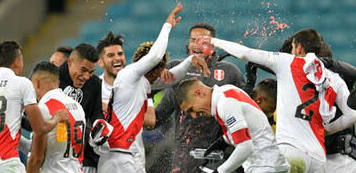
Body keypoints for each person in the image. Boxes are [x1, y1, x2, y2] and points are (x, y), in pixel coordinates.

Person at [201, 29, 356, 172]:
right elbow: (351, 115)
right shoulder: (334, 78)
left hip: (294, 151)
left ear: (299, 48)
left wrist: (214, 41)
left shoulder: (288, 62)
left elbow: (245, 53)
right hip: (319, 158)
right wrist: (327, 129)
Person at [98, 4, 193, 172]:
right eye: (110, 55)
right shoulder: (123, 77)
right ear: (100, 62)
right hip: (118, 156)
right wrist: (167, 26)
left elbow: (171, 79)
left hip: (125, 155)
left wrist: (191, 60)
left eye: (120, 54)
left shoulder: (136, 81)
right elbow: (156, 56)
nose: (117, 59)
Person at [0, 41, 68, 173]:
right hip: (6, 164)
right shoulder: (22, 83)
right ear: (17, 61)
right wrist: (57, 118)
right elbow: (40, 128)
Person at [151, 23, 246, 173]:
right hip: (184, 158)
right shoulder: (176, 69)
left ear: (213, 46)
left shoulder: (229, 71)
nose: (197, 45)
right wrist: (147, 91)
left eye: (203, 41)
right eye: (193, 40)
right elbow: (157, 118)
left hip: (222, 157)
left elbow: (247, 111)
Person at [175, 79, 289, 173]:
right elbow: (249, 126)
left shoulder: (225, 104)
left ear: (199, 93)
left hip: (264, 167)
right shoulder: (226, 91)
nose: (194, 115)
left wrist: (220, 171)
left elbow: (246, 147)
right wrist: (224, 141)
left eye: (191, 109)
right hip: (269, 165)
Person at [27, 61, 86, 172]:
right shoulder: (78, 106)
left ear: (37, 83)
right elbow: (61, 140)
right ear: (58, 83)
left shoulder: (43, 108)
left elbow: (37, 158)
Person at [58, 43, 103, 173]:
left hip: (78, 160)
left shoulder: (94, 84)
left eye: (91, 72)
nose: (86, 77)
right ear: (70, 62)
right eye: (83, 70)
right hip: (50, 157)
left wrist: (100, 125)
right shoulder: (52, 77)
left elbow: (97, 113)